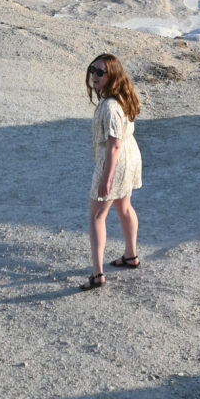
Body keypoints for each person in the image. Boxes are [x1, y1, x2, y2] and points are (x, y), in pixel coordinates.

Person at [83, 53, 144, 289]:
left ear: (112, 76)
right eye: (92, 70)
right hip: (130, 157)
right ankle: (131, 255)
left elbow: (113, 144)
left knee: (97, 216)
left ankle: (97, 275)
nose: (94, 76)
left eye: (101, 72)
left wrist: (106, 179)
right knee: (124, 207)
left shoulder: (109, 106)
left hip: (115, 160)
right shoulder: (121, 97)